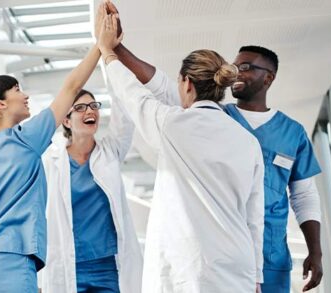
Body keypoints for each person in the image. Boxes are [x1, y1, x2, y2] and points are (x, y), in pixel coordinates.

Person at [102, 3, 325, 291]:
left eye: (246, 67)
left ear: (269, 77)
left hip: (263, 256)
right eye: (235, 67)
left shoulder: (290, 133)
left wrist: (107, 51)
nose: (238, 72)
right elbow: (157, 84)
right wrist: (118, 49)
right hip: (240, 259)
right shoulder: (232, 127)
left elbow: (303, 196)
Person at [94, 11, 265, 293]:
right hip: (237, 267)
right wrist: (256, 275)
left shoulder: (172, 124)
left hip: (187, 267)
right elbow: (254, 216)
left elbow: (132, 94)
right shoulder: (248, 141)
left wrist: (107, 51)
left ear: (186, 83)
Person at [0, 6, 111, 292]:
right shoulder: (24, 138)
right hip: (7, 259)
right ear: (0, 105)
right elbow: (72, 86)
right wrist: (101, 45)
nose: (25, 96)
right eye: (17, 91)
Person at [37, 87, 143, 293]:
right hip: (68, 265)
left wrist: (111, 62)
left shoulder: (110, 152)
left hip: (107, 267)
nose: (90, 111)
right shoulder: (51, 160)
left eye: (94, 106)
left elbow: (124, 118)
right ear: (66, 121)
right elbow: (42, 216)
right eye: (81, 108)